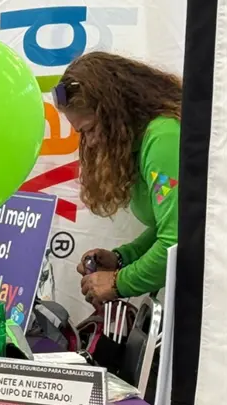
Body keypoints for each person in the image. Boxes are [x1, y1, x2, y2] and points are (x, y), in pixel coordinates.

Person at [52, 52, 181, 306]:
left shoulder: (164, 138)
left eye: (89, 129)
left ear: (115, 113)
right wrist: (122, 258)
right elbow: (170, 225)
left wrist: (118, 282)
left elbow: (179, 240)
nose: (90, 142)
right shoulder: (145, 140)